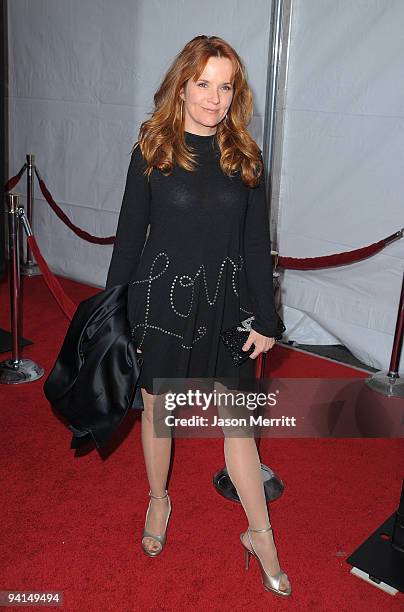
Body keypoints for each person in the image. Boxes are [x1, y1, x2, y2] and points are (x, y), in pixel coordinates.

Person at [105, 35, 291, 597]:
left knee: (239, 427)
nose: (214, 98)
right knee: (159, 413)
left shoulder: (246, 157)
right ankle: (159, 500)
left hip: (230, 309)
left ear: (236, 92)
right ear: (182, 85)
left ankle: (261, 535)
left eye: (225, 85)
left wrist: (267, 318)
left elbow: (257, 247)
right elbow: (128, 241)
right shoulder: (153, 151)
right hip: (162, 307)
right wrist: (112, 314)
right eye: (204, 83)